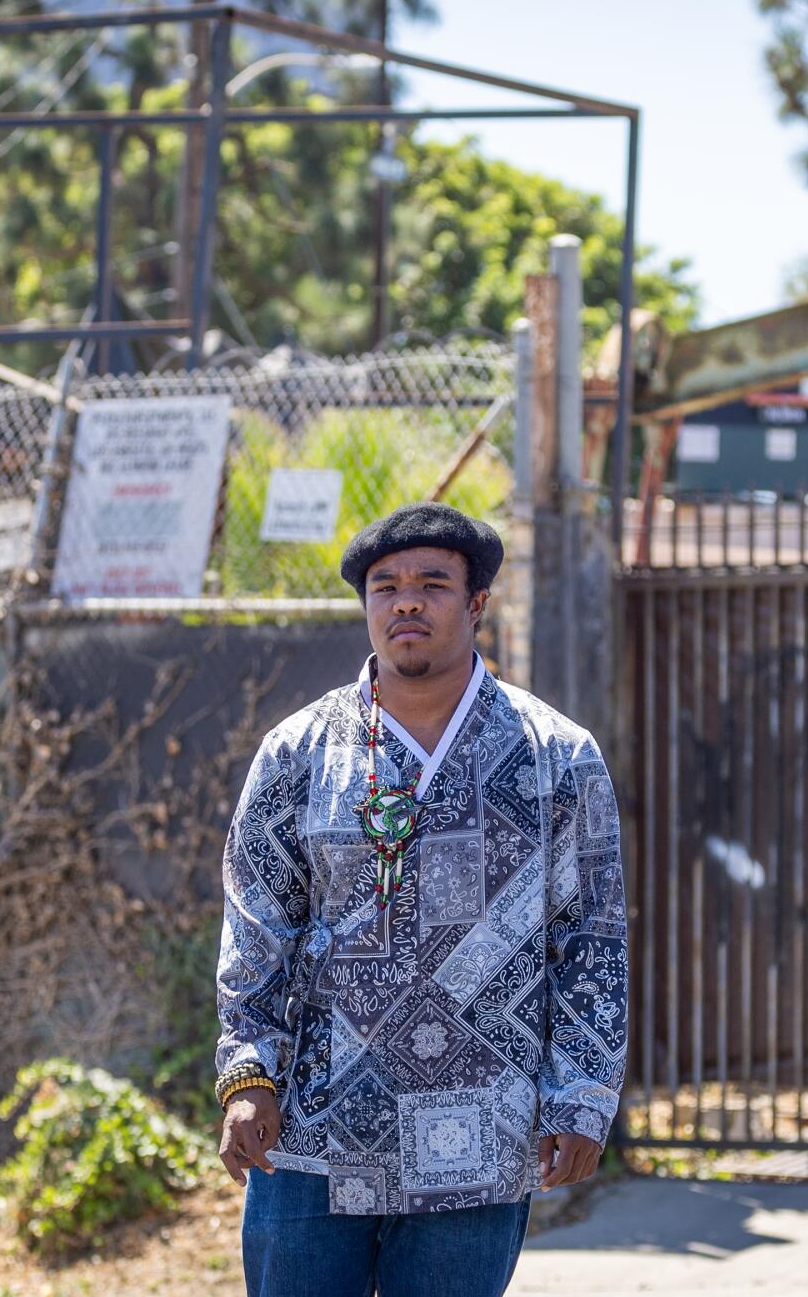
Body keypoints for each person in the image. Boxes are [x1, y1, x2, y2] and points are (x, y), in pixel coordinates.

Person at [213, 501, 628, 1297]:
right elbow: (256, 923)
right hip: (312, 1132)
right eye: (385, 585)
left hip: (478, 1130)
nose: (406, 601)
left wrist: (581, 1095)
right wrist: (247, 1072)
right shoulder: (299, 753)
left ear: (477, 603)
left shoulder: (557, 759)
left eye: (433, 584)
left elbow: (592, 941)